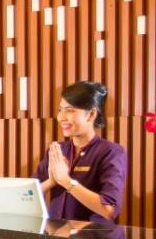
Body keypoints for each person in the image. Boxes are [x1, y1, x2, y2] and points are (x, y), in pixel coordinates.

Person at [34, 81, 129, 222]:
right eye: (60, 110)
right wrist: (51, 182)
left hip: (93, 235)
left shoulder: (111, 152)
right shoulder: (57, 151)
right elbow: (27, 196)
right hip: (55, 234)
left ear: (91, 115)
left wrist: (66, 182)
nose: (61, 117)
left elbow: (109, 209)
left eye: (70, 110)